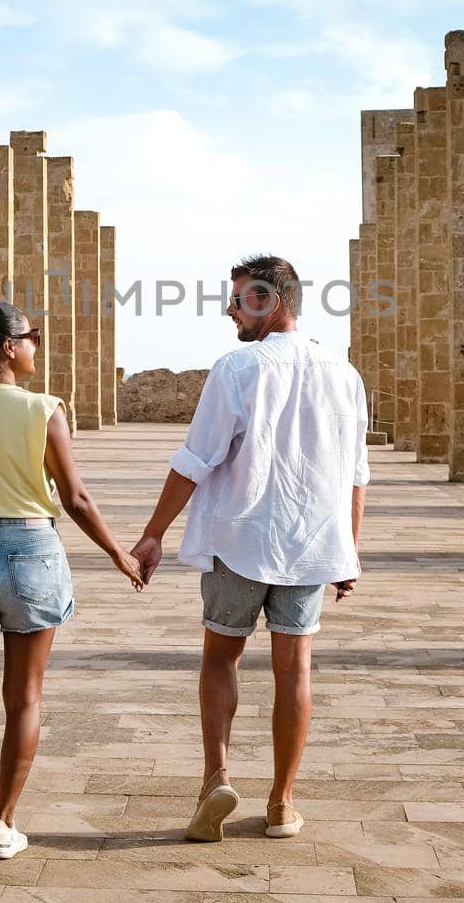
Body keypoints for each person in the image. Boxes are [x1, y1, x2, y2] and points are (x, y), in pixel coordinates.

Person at [132, 254, 367, 842]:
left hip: (239, 540)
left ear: (273, 302)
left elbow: (196, 459)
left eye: (240, 300)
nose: (231, 311)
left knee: (220, 657)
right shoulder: (345, 374)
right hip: (312, 542)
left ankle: (216, 778)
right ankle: (283, 804)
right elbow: (355, 475)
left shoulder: (237, 368)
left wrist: (154, 531)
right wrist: (349, 552)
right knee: (295, 671)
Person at [0, 301, 143, 873]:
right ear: (8, 349)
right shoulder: (43, 410)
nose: (37, 345)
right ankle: (2, 824)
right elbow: (75, 498)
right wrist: (119, 553)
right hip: (30, 551)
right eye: (31, 336)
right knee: (25, 698)